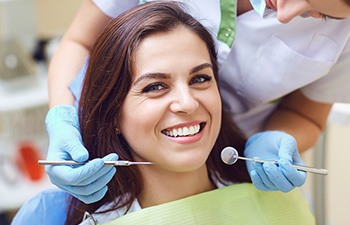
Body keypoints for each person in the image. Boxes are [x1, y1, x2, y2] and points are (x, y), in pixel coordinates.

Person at [14, 3, 312, 224]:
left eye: (200, 79)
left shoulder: (279, 206)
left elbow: (311, 113)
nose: (187, 103)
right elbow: (78, 39)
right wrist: (63, 119)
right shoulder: (59, 217)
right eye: (155, 86)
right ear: (113, 114)